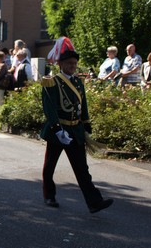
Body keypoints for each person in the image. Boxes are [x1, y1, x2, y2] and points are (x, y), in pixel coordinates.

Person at [41, 37, 113, 213]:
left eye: (75, 63)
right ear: (62, 64)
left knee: (82, 169)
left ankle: (94, 202)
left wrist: (86, 124)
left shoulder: (78, 82)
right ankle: (49, 195)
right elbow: (49, 108)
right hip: (59, 130)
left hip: (75, 129)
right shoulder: (52, 82)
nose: (73, 66)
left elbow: (84, 104)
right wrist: (57, 129)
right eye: (69, 63)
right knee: (50, 166)